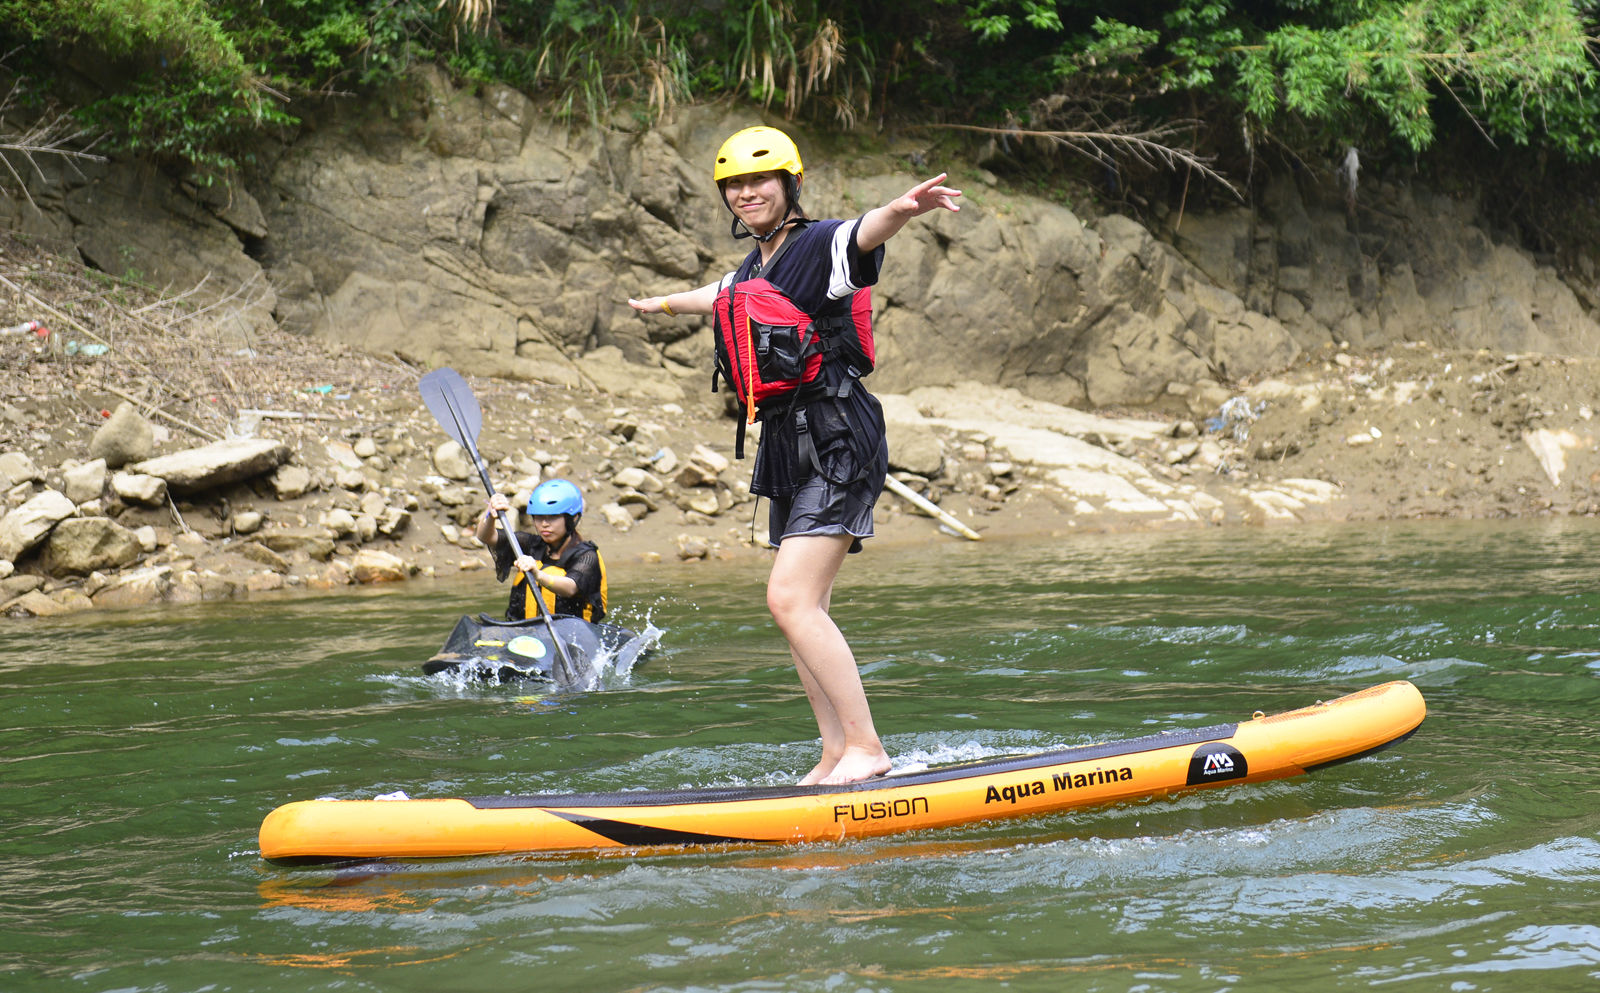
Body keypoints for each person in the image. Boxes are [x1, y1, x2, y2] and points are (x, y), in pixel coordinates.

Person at [628, 125, 960, 785]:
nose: (747, 192)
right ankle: (835, 751)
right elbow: (717, 296)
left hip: (838, 432)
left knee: (790, 599)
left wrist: (903, 208)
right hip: (789, 442)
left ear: (790, 183)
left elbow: (864, 232)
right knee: (803, 608)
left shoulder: (816, 245)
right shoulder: (755, 266)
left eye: (760, 180)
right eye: (736, 185)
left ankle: (867, 746)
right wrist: (658, 302)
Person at [475, 478, 608, 623]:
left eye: (553, 517)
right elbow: (486, 537)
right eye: (539, 517)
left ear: (573, 518)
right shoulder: (531, 545)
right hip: (529, 633)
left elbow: (570, 587)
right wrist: (490, 514)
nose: (544, 524)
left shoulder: (587, 555)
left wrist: (538, 575)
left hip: (573, 635)